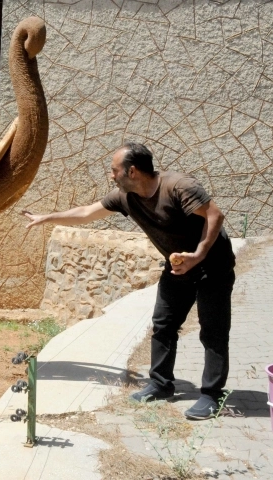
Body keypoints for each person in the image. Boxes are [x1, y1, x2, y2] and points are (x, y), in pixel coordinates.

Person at [24, 143, 235, 420]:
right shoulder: (125, 196)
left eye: (114, 170)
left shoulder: (178, 186)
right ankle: (161, 385)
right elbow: (88, 213)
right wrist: (47, 218)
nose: (111, 176)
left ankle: (211, 395)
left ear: (131, 171)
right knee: (163, 325)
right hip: (177, 267)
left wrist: (198, 254)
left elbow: (214, 215)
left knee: (213, 331)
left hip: (212, 265)